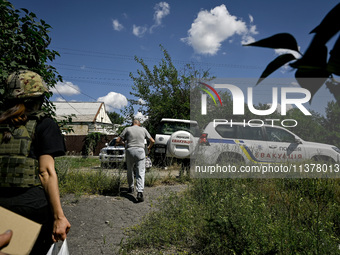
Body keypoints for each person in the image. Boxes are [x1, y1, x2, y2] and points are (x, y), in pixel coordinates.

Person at [0, 70, 71, 254]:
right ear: (39, 97)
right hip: (32, 209)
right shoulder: (44, 124)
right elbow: (46, 173)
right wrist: (59, 217)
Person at [116, 119, 154, 202]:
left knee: (130, 170)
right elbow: (152, 141)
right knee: (140, 171)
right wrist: (148, 148)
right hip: (140, 151)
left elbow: (118, 140)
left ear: (132, 123)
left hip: (130, 150)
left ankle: (131, 187)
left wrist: (124, 143)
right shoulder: (143, 129)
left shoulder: (127, 129)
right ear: (139, 124)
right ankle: (140, 192)